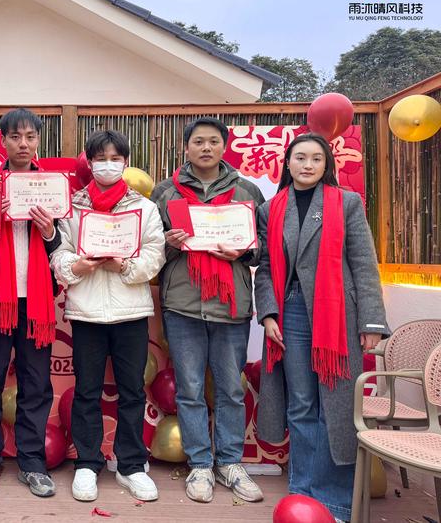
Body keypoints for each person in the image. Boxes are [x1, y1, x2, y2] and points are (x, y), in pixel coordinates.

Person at [254, 133, 388, 522]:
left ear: (327, 164)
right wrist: (268, 314)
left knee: (336, 406)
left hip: (337, 314)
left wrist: (371, 321)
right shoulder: (270, 208)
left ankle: (334, 501)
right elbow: (265, 268)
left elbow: (364, 263)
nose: (308, 165)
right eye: (300, 157)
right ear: (287, 163)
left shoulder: (347, 202)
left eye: (316, 158)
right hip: (291, 311)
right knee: (301, 404)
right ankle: (302, 495)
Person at [150, 117, 264, 504]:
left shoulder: (246, 191)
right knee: (190, 389)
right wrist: (168, 243)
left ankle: (229, 462)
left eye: (213, 141)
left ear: (223, 147)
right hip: (183, 304)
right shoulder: (166, 192)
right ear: (186, 148)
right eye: (198, 141)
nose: (205, 148)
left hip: (231, 306)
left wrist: (243, 251)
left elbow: (263, 247)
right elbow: (149, 248)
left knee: (231, 389)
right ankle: (200, 463)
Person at [51, 130, 165, 502]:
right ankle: (87, 463)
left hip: (131, 312)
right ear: (89, 162)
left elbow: (155, 254)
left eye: (116, 158)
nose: (108, 165)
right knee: (86, 391)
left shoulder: (144, 208)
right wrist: (77, 265)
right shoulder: (72, 206)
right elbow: (59, 253)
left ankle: (131, 465)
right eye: (101, 158)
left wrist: (124, 266)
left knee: (132, 391)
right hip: (86, 313)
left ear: (126, 163)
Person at [0, 108, 60, 499]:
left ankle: (32, 461)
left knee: (36, 385)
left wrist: (50, 231)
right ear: (3, 141)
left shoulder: (51, 186)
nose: (23, 144)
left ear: (38, 140)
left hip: (37, 302)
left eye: (30, 137)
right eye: (15, 137)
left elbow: (63, 247)